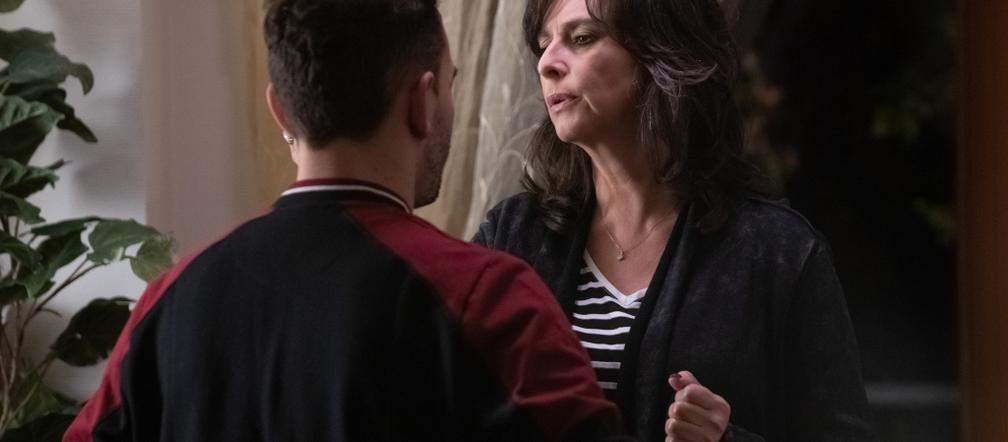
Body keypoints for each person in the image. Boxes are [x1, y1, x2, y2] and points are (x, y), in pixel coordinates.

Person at [63, 1, 632, 441]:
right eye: (449, 84)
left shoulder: (171, 298)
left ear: (281, 110)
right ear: (423, 101)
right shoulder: (489, 301)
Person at [472, 0, 876, 440]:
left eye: (582, 38)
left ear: (659, 52)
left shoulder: (779, 254)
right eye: (543, 44)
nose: (547, 63)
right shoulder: (512, 235)